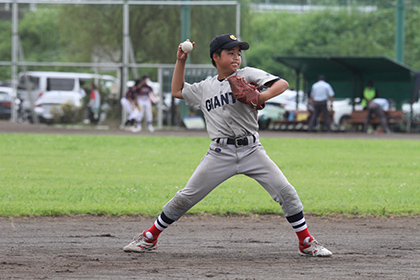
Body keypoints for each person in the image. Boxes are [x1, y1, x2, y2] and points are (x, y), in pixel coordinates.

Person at [123, 34, 332, 257]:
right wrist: (181, 60)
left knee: (286, 191)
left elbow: (282, 84)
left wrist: (261, 96)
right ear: (216, 57)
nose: (236, 58)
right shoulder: (205, 88)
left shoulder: (248, 74)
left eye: (239, 54)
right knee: (186, 196)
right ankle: (150, 236)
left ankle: (306, 241)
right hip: (219, 153)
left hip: (252, 150)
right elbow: (177, 91)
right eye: (230, 53)